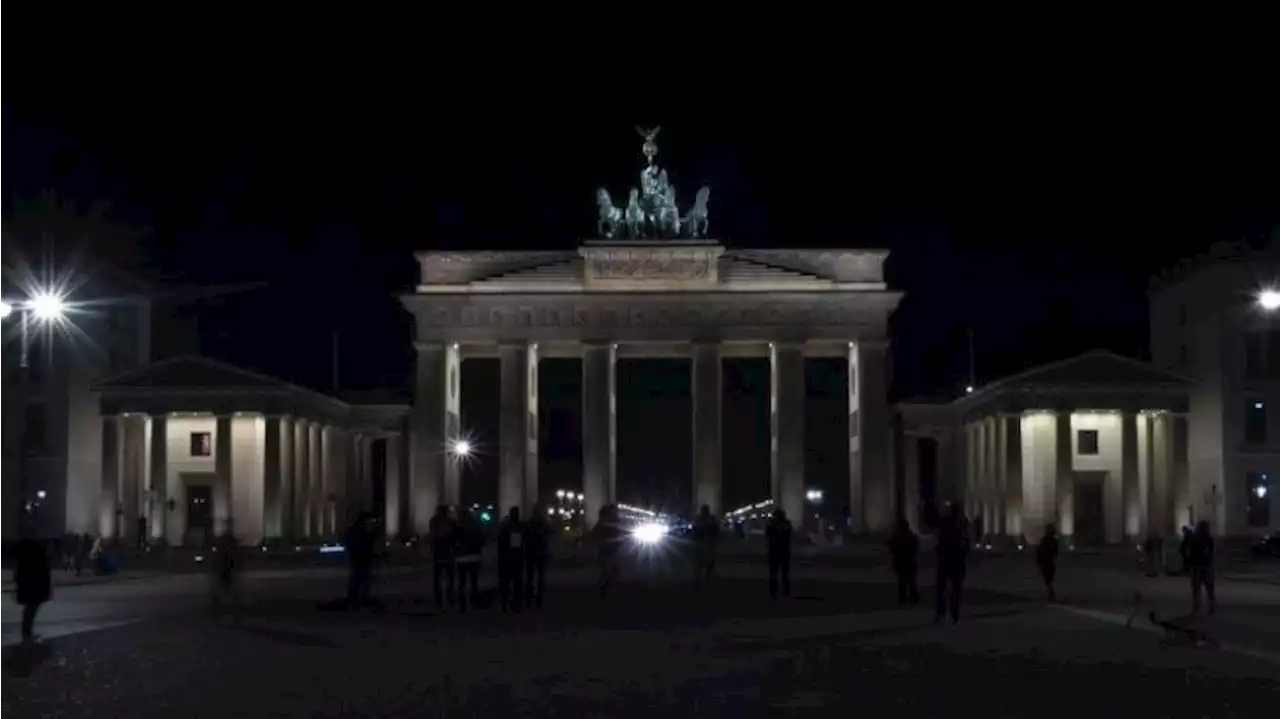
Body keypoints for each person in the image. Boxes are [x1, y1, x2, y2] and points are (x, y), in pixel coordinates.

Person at [934, 503, 968, 624]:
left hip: (946, 560)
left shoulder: (946, 523)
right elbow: (965, 546)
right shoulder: (962, 526)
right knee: (956, 589)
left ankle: (942, 612)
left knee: (941, 588)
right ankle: (954, 613)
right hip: (957, 562)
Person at [13, 537, 52, 643]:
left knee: (30, 609)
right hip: (34, 584)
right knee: (31, 608)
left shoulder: (30, 551)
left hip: (32, 583)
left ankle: (27, 632)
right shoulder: (35, 551)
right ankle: (27, 633)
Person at [454, 510, 485, 612]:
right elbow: (482, 541)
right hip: (474, 557)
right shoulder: (476, 527)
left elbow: (454, 541)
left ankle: (462, 604)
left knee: (462, 582)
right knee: (473, 581)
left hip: (462, 558)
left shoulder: (458, 528)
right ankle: (473, 600)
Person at [345, 512, 377, 607]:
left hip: (360, 557)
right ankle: (358, 597)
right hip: (360, 557)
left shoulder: (358, 530)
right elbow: (365, 543)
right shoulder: (360, 531)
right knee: (360, 578)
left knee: (359, 578)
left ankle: (357, 597)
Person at [497, 506, 525, 613]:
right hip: (515, 557)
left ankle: (507, 603)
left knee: (508, 583)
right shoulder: (519, 526)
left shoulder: (505, 526)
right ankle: (515, 604)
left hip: (508, 558)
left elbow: (501, 542)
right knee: (515, 582)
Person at [428, 505, 457, 608]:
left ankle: (439, 599)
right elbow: (455, 538)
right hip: (448, 553)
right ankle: (450, 597)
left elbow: (432, 537)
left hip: (439, 553)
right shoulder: (451, 522)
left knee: (438, 578)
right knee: (449, 578)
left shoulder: (434, 521)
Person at [210, 527, 242, 619]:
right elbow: (236, 556)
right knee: (230, 592)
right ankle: (234, 614)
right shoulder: (230, 543)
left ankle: (218, 612)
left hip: (225, 568)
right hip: (227, 568)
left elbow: (218, 557)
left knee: (221, 591)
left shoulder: (223, 543)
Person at [523, 503, 551, 609]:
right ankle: (539, 598)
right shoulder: (544, 522)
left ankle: (529, 598)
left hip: (531, 552)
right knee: (540, 577)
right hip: (541, 552)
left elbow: (524, 537)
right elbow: (551, 533)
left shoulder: (529, 523)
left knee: (530, 576)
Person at [592, 504, 623, 598]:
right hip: (606, 551)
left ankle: (608, 591)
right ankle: (605, 591)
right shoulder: (602, 525)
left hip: (613, 550)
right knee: (607, 572)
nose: (615, 513)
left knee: (612, 570)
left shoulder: (614, 523)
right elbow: (596, 538)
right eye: (613, 512)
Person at [888, 517, 920, 604]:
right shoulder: (910, 536)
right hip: (908, 562)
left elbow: (892, 547)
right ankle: (911, 597)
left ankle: (904, 598)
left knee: (903, 582)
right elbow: (915, 548)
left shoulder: (898, 536)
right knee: (909, 582)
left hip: (902, 561)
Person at [1187, 520, 1216, 615]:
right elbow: (1191, 552)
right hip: (1199, 566)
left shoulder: (1207, 539)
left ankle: (1208, 605)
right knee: (1199, 588)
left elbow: (1208, 552)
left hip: (1203, 566)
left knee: (1206, 588)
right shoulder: (1196, 539)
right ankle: (1199, 605)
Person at [766, 507, 792, 598]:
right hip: (784, 551)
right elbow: (790, 536)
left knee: (773, 573)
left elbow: (768, 535)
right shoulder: (787, 524)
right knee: (785, 573)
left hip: (774, 551)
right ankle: (786, 591)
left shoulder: (771, 524)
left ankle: (773, 591)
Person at [692, 504, 720, 589]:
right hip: (708, 543)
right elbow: (716, 530)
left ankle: (698, 581)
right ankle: (707, 580)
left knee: (700, 564)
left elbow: (694, 530)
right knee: (708, 563)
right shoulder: (712, 519)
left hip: (701, 544)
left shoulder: (698, 519)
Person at [1036, 523, 1059, 602]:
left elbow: (1040, 551)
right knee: (1048, 579)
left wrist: (1039, 561)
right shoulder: (1050, 540)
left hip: (1047, 562)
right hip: (1048, 562)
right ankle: (1051, 593)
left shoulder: (1047, 540)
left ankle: (1051, 593)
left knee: (1048, 579)